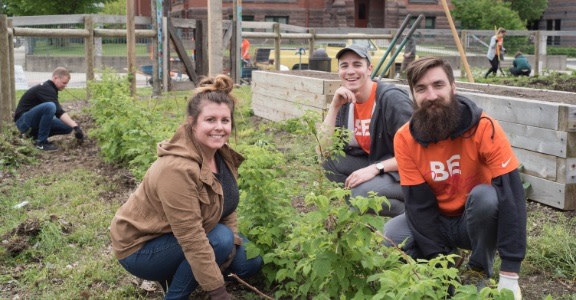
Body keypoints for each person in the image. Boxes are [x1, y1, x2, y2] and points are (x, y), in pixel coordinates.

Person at [383, 57, 526, 299]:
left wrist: (510, 274)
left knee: (487, 197)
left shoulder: (484, 127)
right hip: (437, 220)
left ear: (453, 87)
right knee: (392, 235)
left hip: (475, 223)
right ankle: (444, 263)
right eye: (421, 89)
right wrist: (443, 269)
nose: (431, 95)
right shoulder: (405, 138)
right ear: (413, 96)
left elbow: (512, 196)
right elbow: (418, 206)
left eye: (438, 85)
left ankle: (479, 269)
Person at [110, 74, 263, 300]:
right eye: (210, 120)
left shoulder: (221, 154)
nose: (219, 128)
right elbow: (191, 236)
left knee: (249, 260)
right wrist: (218, 292)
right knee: (219, 240)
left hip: (187, 234)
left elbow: (228, 204)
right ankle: (175, 294)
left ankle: (186, 271)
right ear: (192, 122)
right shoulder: (177, 169)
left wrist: (232, 245)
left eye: (225, 120)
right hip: (142, 247)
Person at [319, 44, 413, 217]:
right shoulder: (347, 101)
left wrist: (375, 168)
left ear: (369, 69)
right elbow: (322, 149)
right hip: (376, 162)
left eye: (357, 64)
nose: (350, 71)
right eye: (344, 65)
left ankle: (411, 214)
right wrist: (334, 106)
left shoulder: (391, 99)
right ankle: (362, 203)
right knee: (330, 163)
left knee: (361, 195)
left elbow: (417, 154)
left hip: (405, 171)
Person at [13, 67, 84, 151]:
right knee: (50, 106)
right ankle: (41, 143)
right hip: (23, 121)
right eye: (64, 83)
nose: (65, 86)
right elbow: (58, 111)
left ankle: (33, 137)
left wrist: (73, 126)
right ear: (55, 78)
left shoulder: (51, 89)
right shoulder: (46, 88)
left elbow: (58, 111)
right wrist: (75, 126)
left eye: (66, 83)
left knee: (67, 127)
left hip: (32, 121)